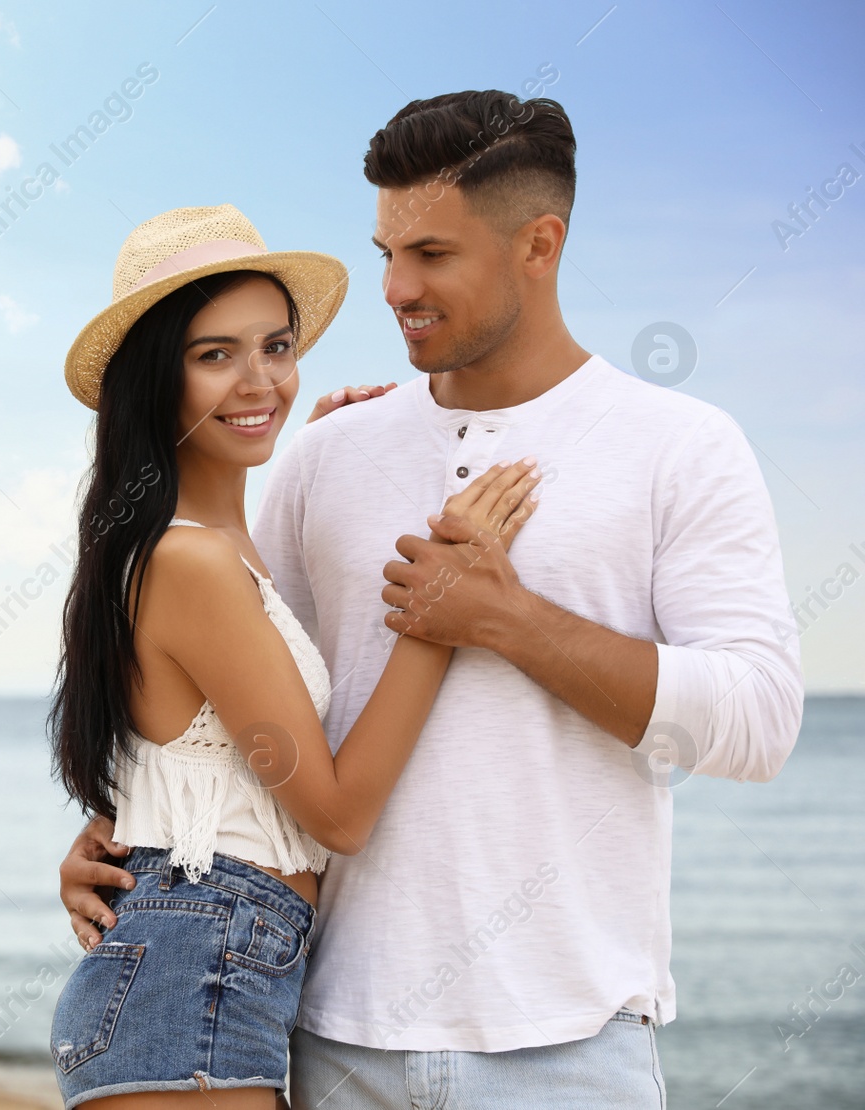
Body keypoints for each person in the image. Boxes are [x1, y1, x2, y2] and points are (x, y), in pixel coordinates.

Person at [59, 91, 804, 1108]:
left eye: (432, 256)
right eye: (384, 252)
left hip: (566, 1041)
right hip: (329, 1029)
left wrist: (506, 620)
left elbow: (757, 723)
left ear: (538, 244)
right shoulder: (325, 450)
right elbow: (251, 711)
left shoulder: (678, 446)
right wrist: (129, 831)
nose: (395, 287)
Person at [46, 203, 542, 1108]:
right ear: (156, 378)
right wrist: (439, 608)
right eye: (215, 355)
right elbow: (339, 813)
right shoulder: (190, 562)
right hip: (196, 979)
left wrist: (329, 454)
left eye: (275, 347)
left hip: (211, 972)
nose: (259, 381)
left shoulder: (210, 546)